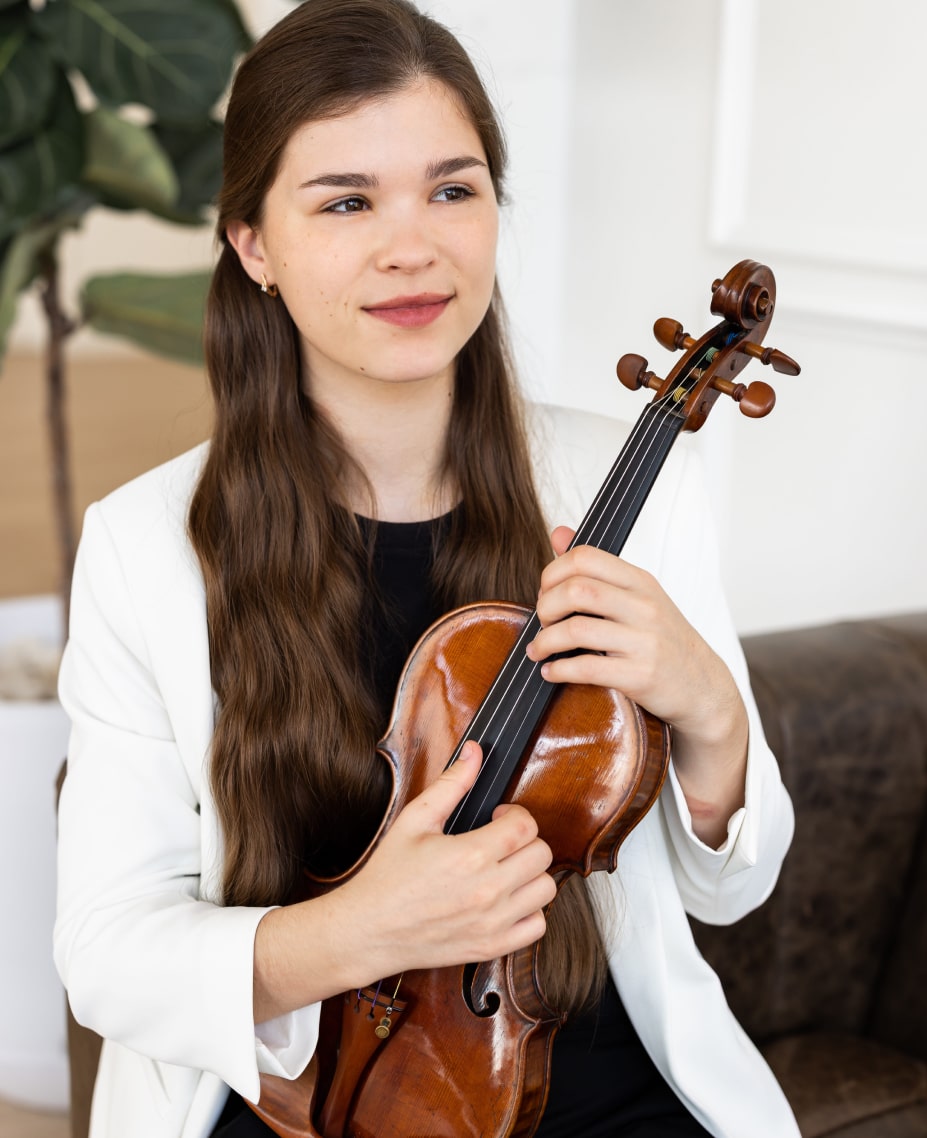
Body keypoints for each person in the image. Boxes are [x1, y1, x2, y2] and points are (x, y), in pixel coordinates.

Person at [53, 2, 801, 1136]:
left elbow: (731, 890)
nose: (414, 247)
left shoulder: (622, 484)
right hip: (302, 1096)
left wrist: (707, 709)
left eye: (453, 189)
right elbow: (107, 956)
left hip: (594, 1078)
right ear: (252, 243)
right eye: (346, 201)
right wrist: (366, 927)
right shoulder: (144, 543)